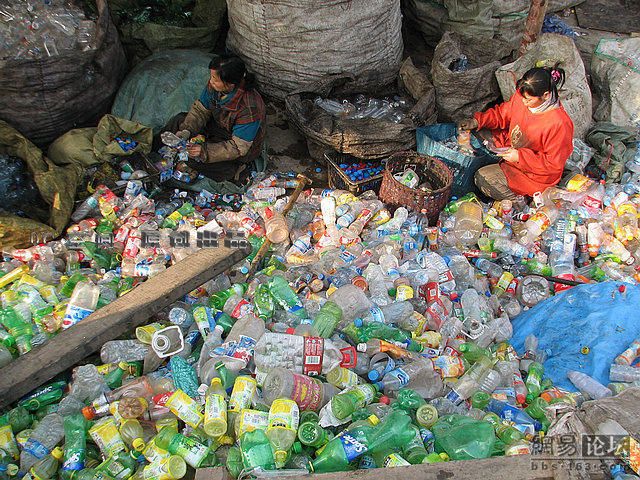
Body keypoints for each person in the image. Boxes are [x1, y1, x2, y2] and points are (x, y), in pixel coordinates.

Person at [458, 64, 574, 200]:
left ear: (546, 95)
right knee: (476, 133)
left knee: (482, 178)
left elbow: (552, 166)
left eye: (529, 100)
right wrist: (477, 121)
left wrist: (520, 157)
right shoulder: (522, 97)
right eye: (522, 97)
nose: (524, 102)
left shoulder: (559, 123)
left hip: (533, 176)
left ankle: (522, 202)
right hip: (512, 147)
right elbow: (502, 114)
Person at [165, 54, 266, 184]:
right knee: (178, 121)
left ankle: (236, 170)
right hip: (219, 126)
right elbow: (201, 109)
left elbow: (238, 148)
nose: (211, 81)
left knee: (192, 159)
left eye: (215, 79)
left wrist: (205, 151)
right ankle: (155, 153)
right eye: (211, 77)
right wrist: (187, 131)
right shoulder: (215, 87)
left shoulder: (250, 109)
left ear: (230, 84)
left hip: (238, 146)